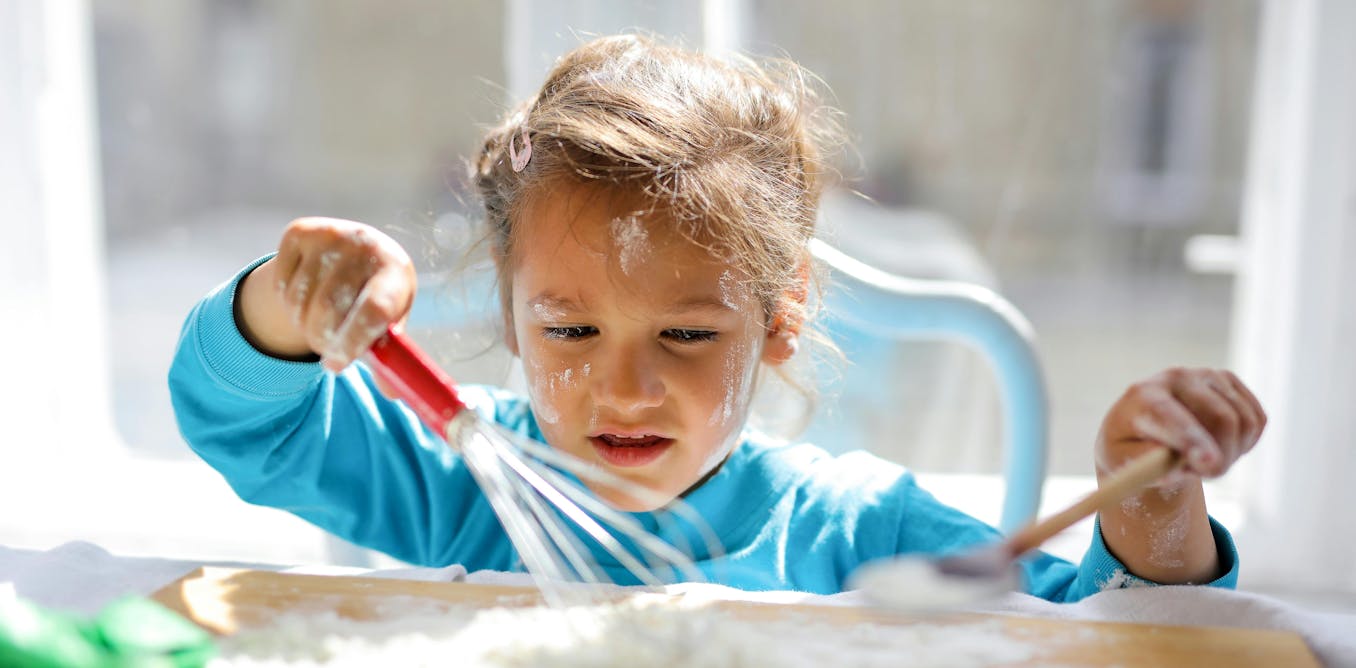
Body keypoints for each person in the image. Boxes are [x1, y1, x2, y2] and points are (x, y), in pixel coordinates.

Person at [168, 34, 1265, 599]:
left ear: (781, 320)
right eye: (569, 329)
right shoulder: (471, 485)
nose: (626, 385)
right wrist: (289, 300)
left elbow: (1097, 628)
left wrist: (1156, 505)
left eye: (687, 334)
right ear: (509, 313)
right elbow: (249, 422)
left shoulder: (860, 529)